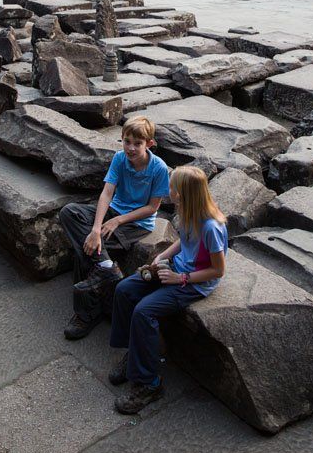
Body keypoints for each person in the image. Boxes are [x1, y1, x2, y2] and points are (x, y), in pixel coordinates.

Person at [108, 165, 227, 415]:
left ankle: (150, 383)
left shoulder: (211, 227)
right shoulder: (187, 211)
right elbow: (183, 242)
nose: (168, 191)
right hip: (177, 269)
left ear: (181, 195)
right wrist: (162, 255)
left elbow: (217, 271)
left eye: (171, 187)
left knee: (144, 311)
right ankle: (133, 352)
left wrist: (179, 278)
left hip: (194, 283)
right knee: (125, 289)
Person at [59, 115, 170, 341]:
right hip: (113, 210)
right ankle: (107, 266)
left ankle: (85, 313)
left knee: (87, 250)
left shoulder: (159, 168)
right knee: (69, 212)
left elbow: (152, 208)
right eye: (126, 141)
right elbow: (107, 193)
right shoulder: (120, 159)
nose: (130, 148)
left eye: (137, 143)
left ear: (149, 144)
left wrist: (118, 221)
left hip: (136, 222)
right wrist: (96, 229)